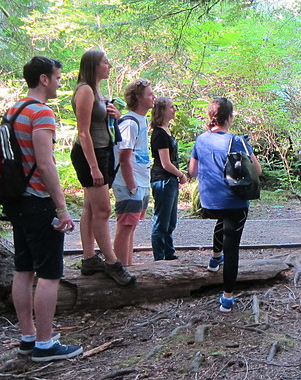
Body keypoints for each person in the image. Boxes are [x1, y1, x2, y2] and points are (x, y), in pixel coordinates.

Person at [6, 56, 83, 361]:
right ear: (44, 79)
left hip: (16, 201)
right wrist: (62, 209)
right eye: (58, 77)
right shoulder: (41, 113)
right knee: (49, 274)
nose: (60, 82)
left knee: (23, 269)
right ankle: (45, 343)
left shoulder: (14, 111)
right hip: (39, 202)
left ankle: (28, 338)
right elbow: (45, 163)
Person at [188, 97, 261, 312]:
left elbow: (192, 171)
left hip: (209, 202)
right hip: (234, 202)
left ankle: (214, 259)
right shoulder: (237, 140)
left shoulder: (200, 140)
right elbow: (257, 171)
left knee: (223, 218)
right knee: (233, 245)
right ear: (230, 117)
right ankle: (227, 299)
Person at [70, 50, 135, 285]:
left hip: (103, 152)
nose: (109, 65)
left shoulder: (97, 91)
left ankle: (89, 259)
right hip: (91, 155)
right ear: (94, 66)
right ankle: (112, 263)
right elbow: (83, 132)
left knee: (90, 207)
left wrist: (116, 116)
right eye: (105, 62)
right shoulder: (85, 90)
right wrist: (94, 168)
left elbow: (102, 124)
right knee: (103, 211)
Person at [111, 79, 155, 266]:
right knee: (125, 227)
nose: (153, 97)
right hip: (130, 184)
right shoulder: (129, 123)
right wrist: (132, 186)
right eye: (149, 94)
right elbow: (124, 157)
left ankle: (128, 266)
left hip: (141, 182)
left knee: (132, 226)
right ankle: (121, 269)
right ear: (138, 98)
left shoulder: (142, 120)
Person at [150, 96, 187, 261]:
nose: (174, 110)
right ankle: (159, 257)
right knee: (162, 221)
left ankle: (169, 254)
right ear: (162, 111)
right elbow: (165, 163)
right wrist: (181, 175)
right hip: (163, 180)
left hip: (170, 181)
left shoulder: (167, 131)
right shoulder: (159, 134)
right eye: (171, 107)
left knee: (171, 220)